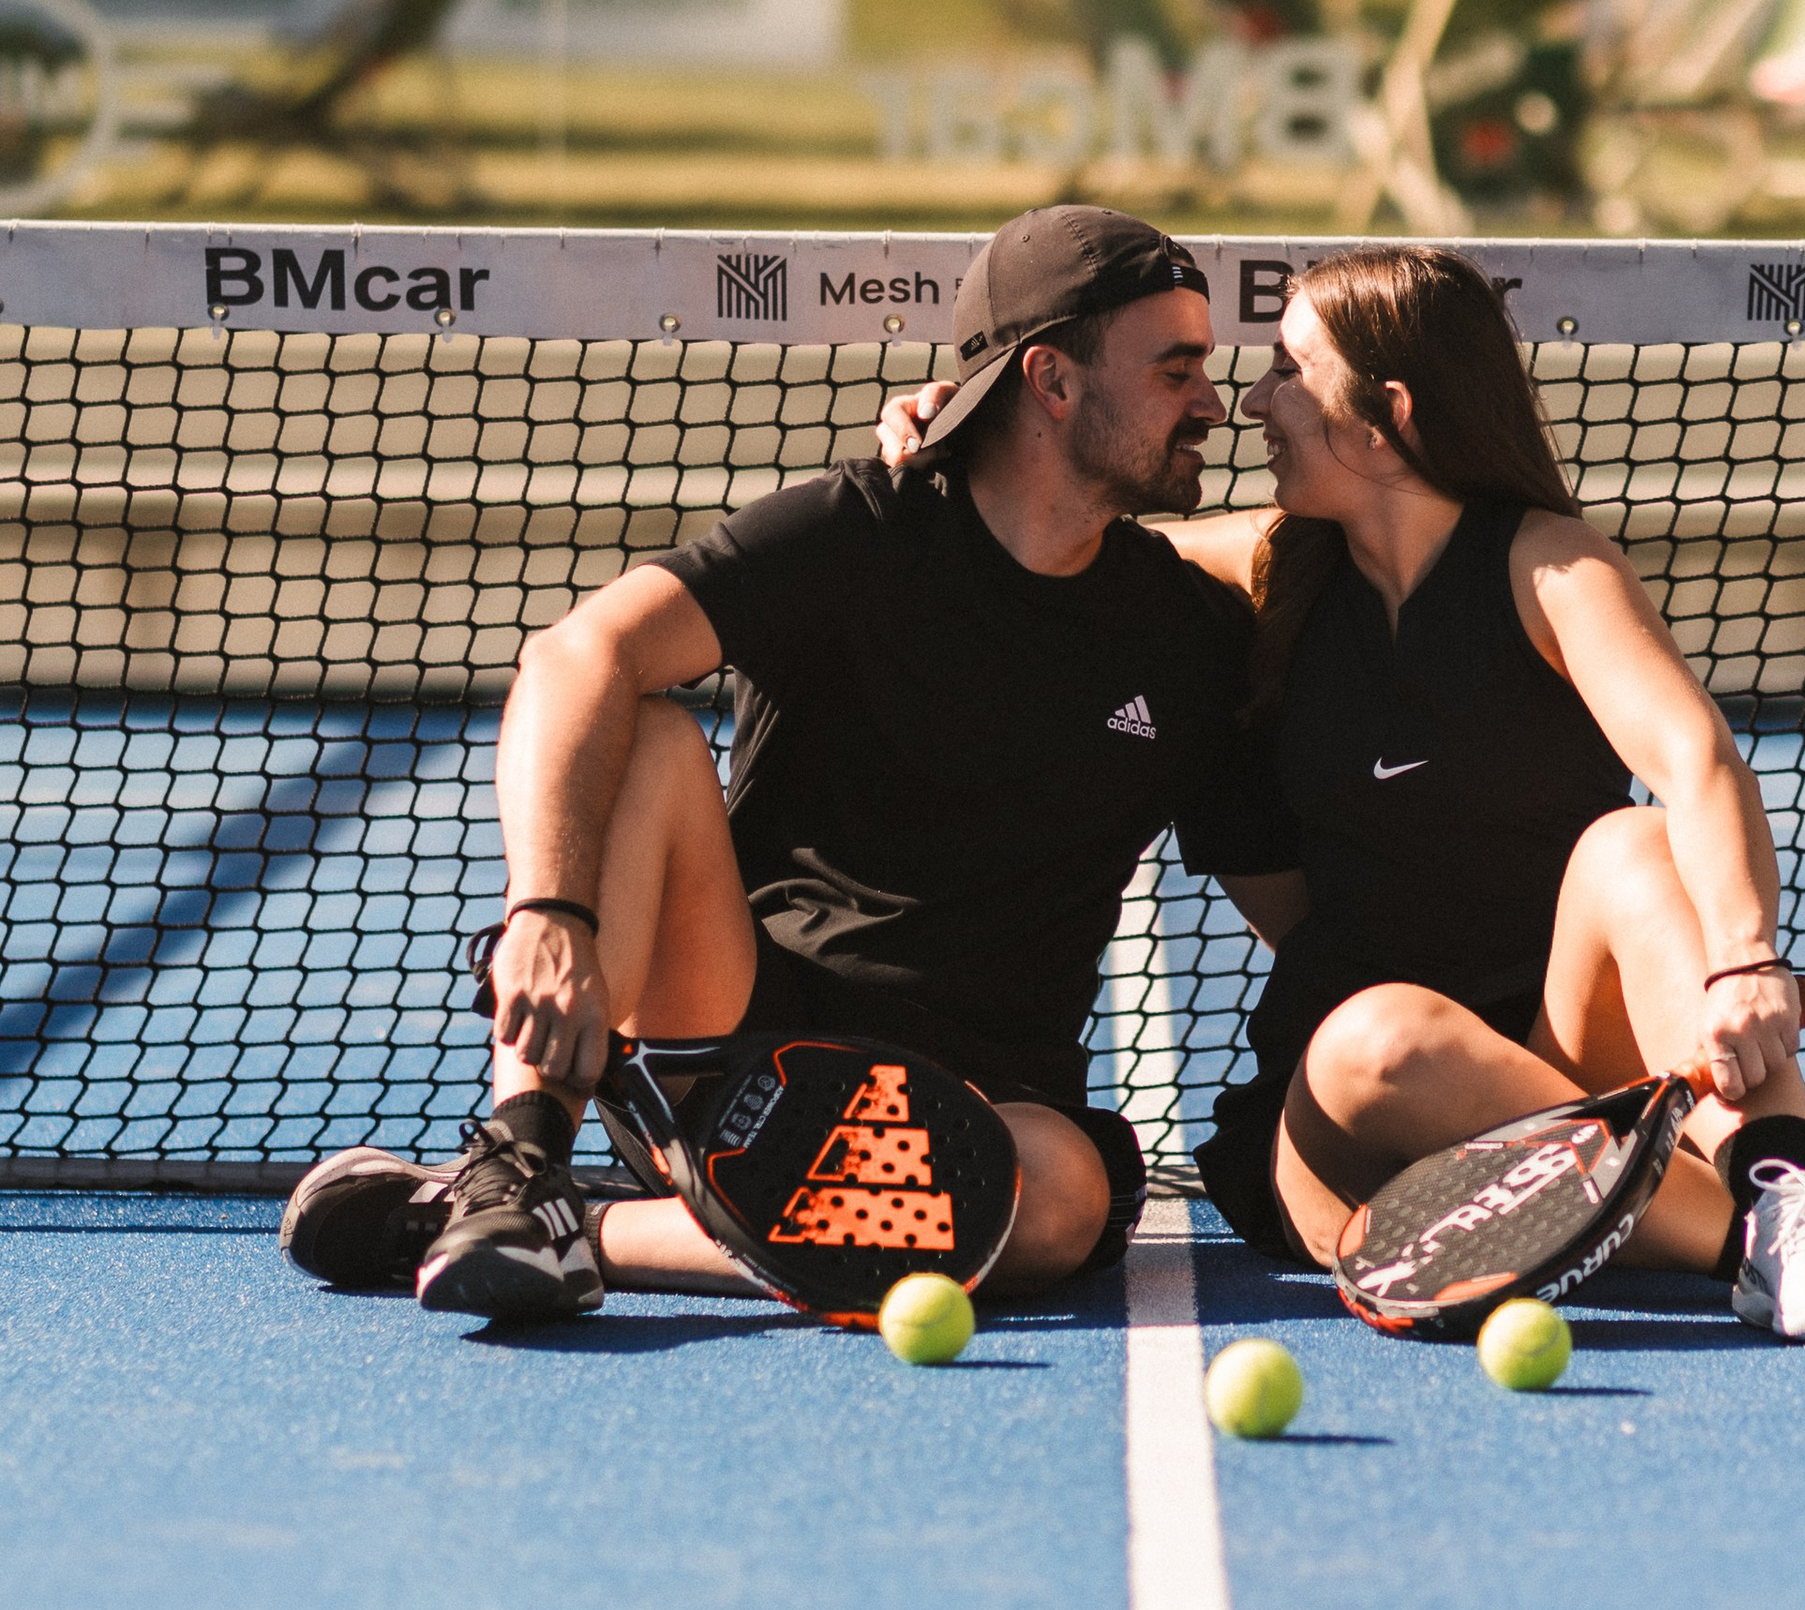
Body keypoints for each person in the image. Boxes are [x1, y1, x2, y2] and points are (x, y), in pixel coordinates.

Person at [885, 244, 1805, 1346]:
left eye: (1290, 370)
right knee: (1383, 1037)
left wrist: (1743, 955)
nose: (1252, 403)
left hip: (1554, 1061)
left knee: (1633, 846)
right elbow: (1051, 519)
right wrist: (967, 436)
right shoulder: (1275, 561)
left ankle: (1783, 1204)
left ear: (1386, 414)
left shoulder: (1549, 565)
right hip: (1343, 1128)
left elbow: (1696, 759)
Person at [279, 207, 1298, 1324]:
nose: (1216, 403)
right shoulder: (857, 534)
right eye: (1176, 370)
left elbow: (1299, 571)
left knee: (1055, 1202)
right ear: (1051, 383)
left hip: (976, 1107)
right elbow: (576, 653)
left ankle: (525, 1224)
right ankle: (518, 1157)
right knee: (651, 730)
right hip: (734, 1051)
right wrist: (549, 915)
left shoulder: (1188, 636)